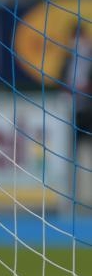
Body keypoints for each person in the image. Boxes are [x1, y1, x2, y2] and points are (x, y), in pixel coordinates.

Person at [63, 24, 92, 206]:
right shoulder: (67, 57)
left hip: (89, 112)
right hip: (69, 112)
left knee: (88, 153)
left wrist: (84, 89)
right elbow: (60, 79)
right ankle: (71, 197)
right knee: (69, 155)